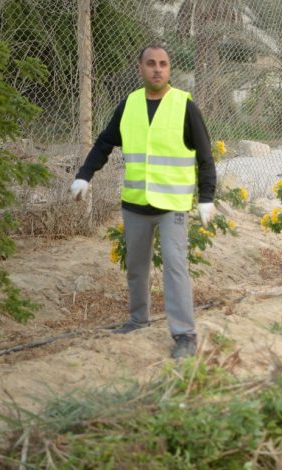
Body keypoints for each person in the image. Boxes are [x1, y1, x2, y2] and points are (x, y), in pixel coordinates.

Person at [70, 44, 216, 359]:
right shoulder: (129, 105)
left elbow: (205, 156)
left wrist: (206, 198)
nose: (157, 69)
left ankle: (184, 334)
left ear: (169, 68)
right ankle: (138, 320)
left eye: (163, 63)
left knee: (175, 267)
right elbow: (104, 143)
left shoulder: (184, 106)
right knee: (136, 267)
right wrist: (84, 175)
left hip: (172, 206)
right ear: (141, 68)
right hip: (135, 204)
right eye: (151, 63)